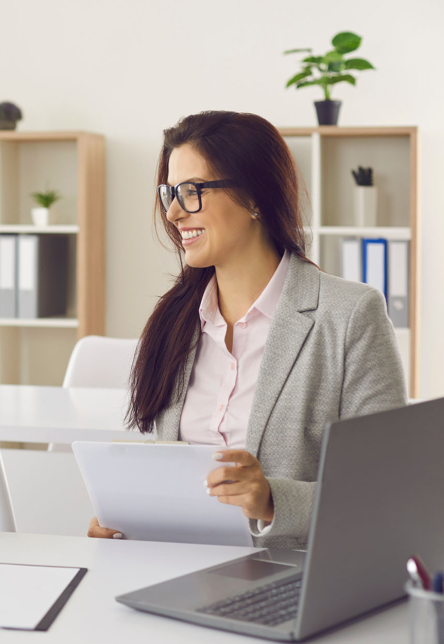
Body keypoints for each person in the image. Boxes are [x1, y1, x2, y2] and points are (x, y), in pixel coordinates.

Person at [88, 111, 406, 548]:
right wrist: (127, 519)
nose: (176, 212)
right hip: (174, 572)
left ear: (255, 197)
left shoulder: (349, 316)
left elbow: (390, 493)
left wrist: (273, 500)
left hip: (290, 582)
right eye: (169, 193)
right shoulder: (174, 321)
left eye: (192, 191)